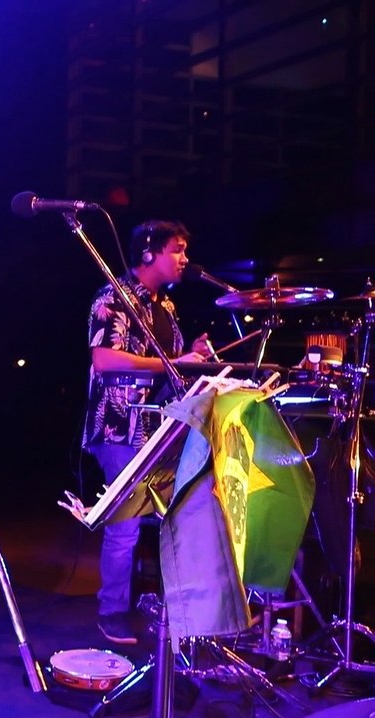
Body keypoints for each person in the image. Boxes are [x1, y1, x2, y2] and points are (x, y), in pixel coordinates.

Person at [83, 219, 213, 645]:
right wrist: (175, 363)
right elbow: (105, 359)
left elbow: (170, 369)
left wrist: (193, 356)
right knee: (125, 525)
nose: (184, 258)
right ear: (148, 252)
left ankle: (175, 610)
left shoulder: (166, 308)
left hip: (159, 428)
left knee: (177, 515)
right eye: (177, 249)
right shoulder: (113, 297)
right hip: (120, 427)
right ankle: (112, 611)